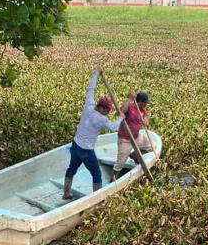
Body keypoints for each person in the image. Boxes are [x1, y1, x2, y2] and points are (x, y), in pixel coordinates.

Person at [63, 70, 123, 200]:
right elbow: (114, 127)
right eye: (107, 110)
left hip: (75, 146)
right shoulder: (101, 119)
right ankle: (98, 199)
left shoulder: (88, 106)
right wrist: (121, 118)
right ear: (102, 108)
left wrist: (96, 74)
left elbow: (91, 89)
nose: (108, 113)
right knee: (96, 174)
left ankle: (66, 193)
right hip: (86, 151)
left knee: (71, 169)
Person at [111, 92, 152, 181]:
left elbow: (146, 123)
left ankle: (134, 155)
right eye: (145, 103)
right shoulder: (129, 107)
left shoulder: (143, 111)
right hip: (125, 139)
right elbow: (120, 112)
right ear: (141, 102)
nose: (146, 105)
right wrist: (130, 99)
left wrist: (146, 118)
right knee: (120, 162)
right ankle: (113, 179)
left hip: (137, 137)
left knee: (151, 147)